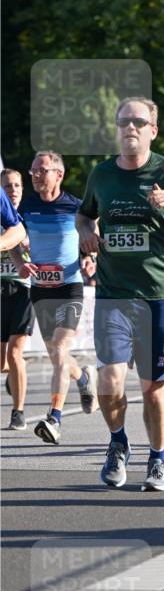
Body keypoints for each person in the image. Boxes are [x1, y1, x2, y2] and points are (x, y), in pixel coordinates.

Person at [77, 96, 164, 492]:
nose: (130, 128)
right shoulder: (101, 174)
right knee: (110, 377)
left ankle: (158, 460)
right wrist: (86, 230)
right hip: (113, 292)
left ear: (153, 130)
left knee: (152, 386)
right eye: (123, 122)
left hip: (158, 293)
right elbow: (85, 214)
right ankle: (118, 442)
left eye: (138, 121)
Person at [18, 151, 98, 444]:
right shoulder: (27, 207)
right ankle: (84, 378)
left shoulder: (76, 207)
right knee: (56, 354)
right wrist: (19, 262)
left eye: (42, 171)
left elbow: (92, 233)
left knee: (61, 348)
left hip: (70, 288)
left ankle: (54, 417)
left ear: (58, 174)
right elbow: (14, 236)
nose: (36, 176)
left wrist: (91, 257)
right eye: (33, 171)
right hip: (40, 289)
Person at [1, 170, 34, 430]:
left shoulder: (31, 216)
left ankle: (18, 411)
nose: (13, 190)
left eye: (17, 185)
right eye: (7, 186)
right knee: (4, 362)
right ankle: (78, 375)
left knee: (15, 352)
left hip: (23, 290)